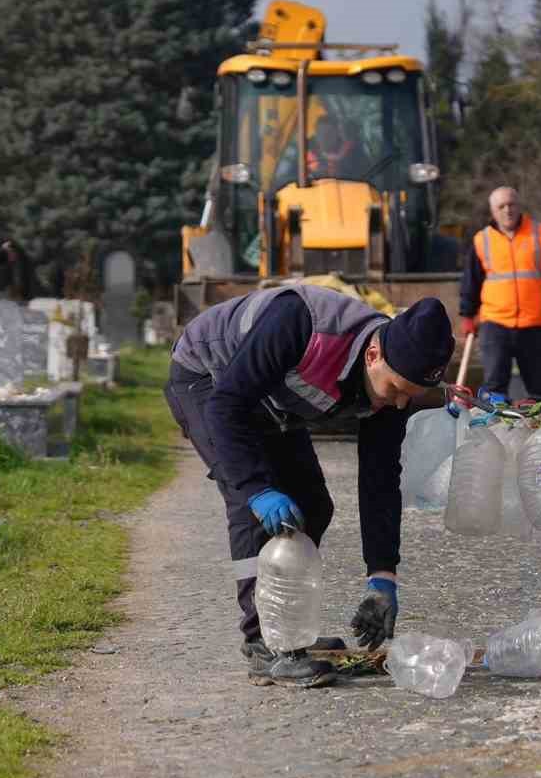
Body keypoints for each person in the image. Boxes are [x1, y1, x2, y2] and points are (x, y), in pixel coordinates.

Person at [165, 285, 454, 688]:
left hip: (270, 401)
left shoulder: (392, 387)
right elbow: (227, 406)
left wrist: (382, 577)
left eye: (413, 397)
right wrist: (256, 489)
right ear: (373, 355)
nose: (401, 404)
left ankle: (289, 632)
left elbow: (380, 482)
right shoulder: (300, 324)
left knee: (313, 506)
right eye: (397, 391)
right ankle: (264, 645)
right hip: (208, 379)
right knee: (253, 508)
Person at [458, 185, 541, 401]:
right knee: (494, 388)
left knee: (538, 388)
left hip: (533, 324)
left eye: (511, 204)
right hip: (495, 324)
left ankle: (540, 431)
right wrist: (467, 315)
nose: (507, 210)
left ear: (519, 206)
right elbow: (471, 281)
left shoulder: (540, 233)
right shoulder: (482, 240)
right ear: (493, 212)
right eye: (501, 206)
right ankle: (497, 429)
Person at [306, 115, 368, 180]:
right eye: (320, 133)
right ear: (316, 135)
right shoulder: (305, 155)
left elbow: (362, 176)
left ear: (337, 134)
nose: (323, 138)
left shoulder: (353, 154)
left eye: (328, 133)